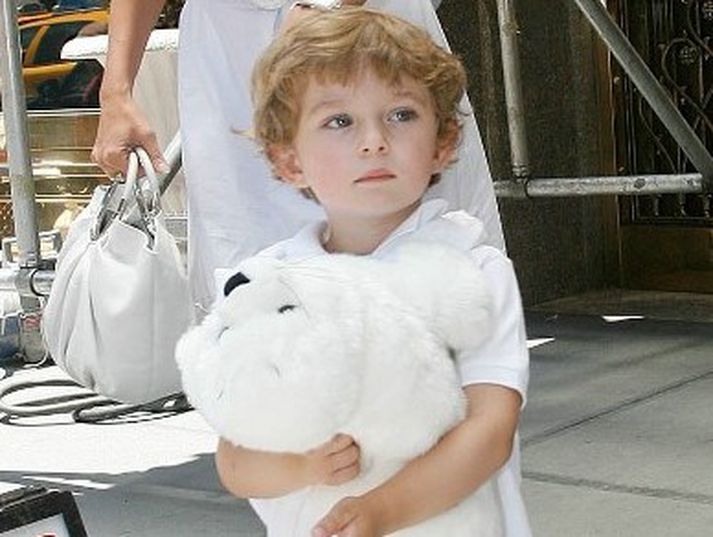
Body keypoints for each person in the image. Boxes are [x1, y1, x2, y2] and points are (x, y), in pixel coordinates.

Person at [214, 8, 530, 537]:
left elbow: (490, 428)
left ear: (443, 143)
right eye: (339, 122)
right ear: (290, 161)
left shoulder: (469, 269)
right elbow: (234, 459)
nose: (374, 141)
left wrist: (381, 511)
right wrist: (300, 466)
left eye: (401, 115)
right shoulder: (268, 286)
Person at [92, 0, 505, 317]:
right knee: (252, 304)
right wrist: (115, 92)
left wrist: (330, 7)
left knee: (416, 286)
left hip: (361, 36)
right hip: (231, 53)